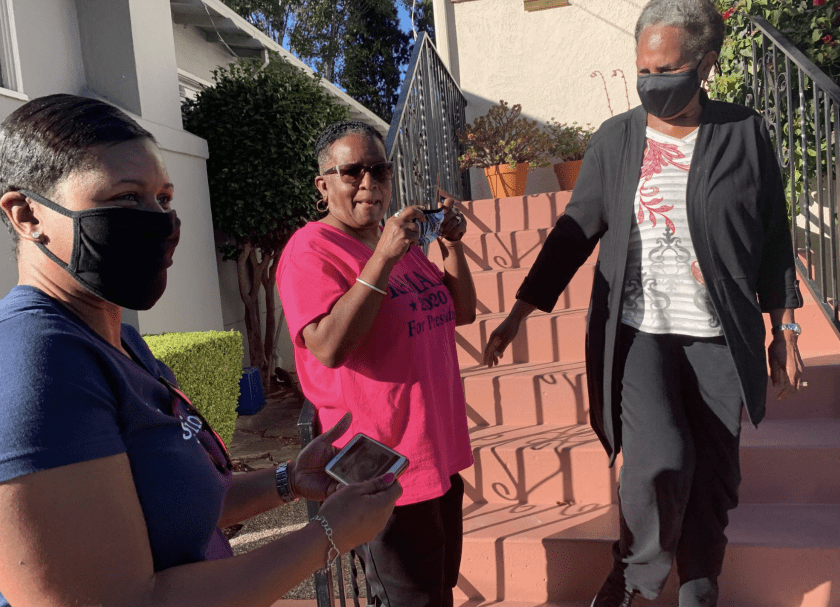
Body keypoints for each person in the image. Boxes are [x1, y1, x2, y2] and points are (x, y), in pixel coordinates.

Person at [0, 94, 401, 607]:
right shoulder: (34, 363)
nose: (156, 220)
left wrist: (287, 480)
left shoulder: (120, 340)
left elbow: (176, 500)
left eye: (163, 199)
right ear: (27, 214)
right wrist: (327, 536)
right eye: (125, 198)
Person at [483, 1, 805, 605]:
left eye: (668, 70)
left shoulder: (744, 132)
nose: (653, 83)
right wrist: (519, 311)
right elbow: (576, 230)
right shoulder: (615, 139)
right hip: (638, 334)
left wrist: (782, 328)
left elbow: (771, 235)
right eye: (643, 71)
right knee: (661, 460)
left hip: (717, 337)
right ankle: (632, 583)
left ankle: (699, 590)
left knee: (714, 483)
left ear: (706, 63)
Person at [277, 120, 476, 607]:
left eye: (379, 170)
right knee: (408, 599)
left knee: (438, 590)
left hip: (436, 453)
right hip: (380, 470)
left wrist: (450, 245)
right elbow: (327, 347)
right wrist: (382, 258)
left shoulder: (398, 245)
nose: (369, 183)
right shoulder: (310, 250)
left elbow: (463, 311)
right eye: (353, 172)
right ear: (324, 185)